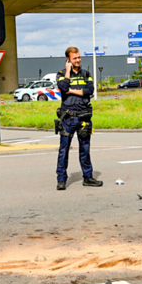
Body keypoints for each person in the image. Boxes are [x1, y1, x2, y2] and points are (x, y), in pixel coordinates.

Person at [55, 47, 102, 190]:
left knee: (85, 149)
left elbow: (90, 91)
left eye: (79, 57)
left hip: (84, 118)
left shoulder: (86, 74)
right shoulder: (62, 74)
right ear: (68, 60)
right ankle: (61, 179)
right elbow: (63, 87)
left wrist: (71, 91)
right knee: (64, 150)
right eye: (75, 58)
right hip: (68, 118)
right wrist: (68, 70)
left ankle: (88, 177)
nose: (78, 60)